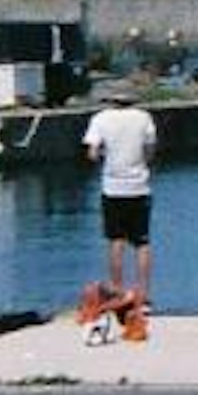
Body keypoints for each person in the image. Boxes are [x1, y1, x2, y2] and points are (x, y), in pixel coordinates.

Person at [78, 81, 157, 310]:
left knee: (116, 240)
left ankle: (117, 290)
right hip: (139, 186)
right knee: (142, 242)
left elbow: (92, 153)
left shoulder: (100, 119)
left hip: (113, 187)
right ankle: (143, 294)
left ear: (111, 100)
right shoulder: (144, 118)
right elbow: (150, 150)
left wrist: (106, 157)